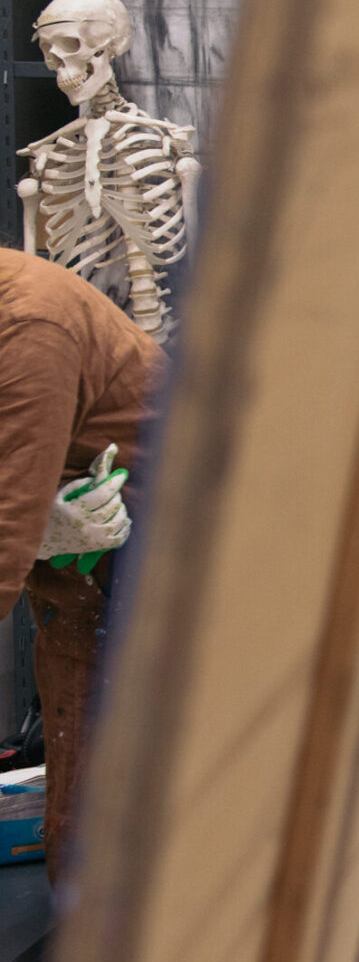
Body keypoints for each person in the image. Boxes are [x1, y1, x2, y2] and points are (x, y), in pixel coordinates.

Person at [0, 246, 162, 894]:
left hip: (159, 572)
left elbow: (5, 538)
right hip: (79, 581)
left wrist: (35, 528)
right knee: (78, 828)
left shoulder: (30, 325)